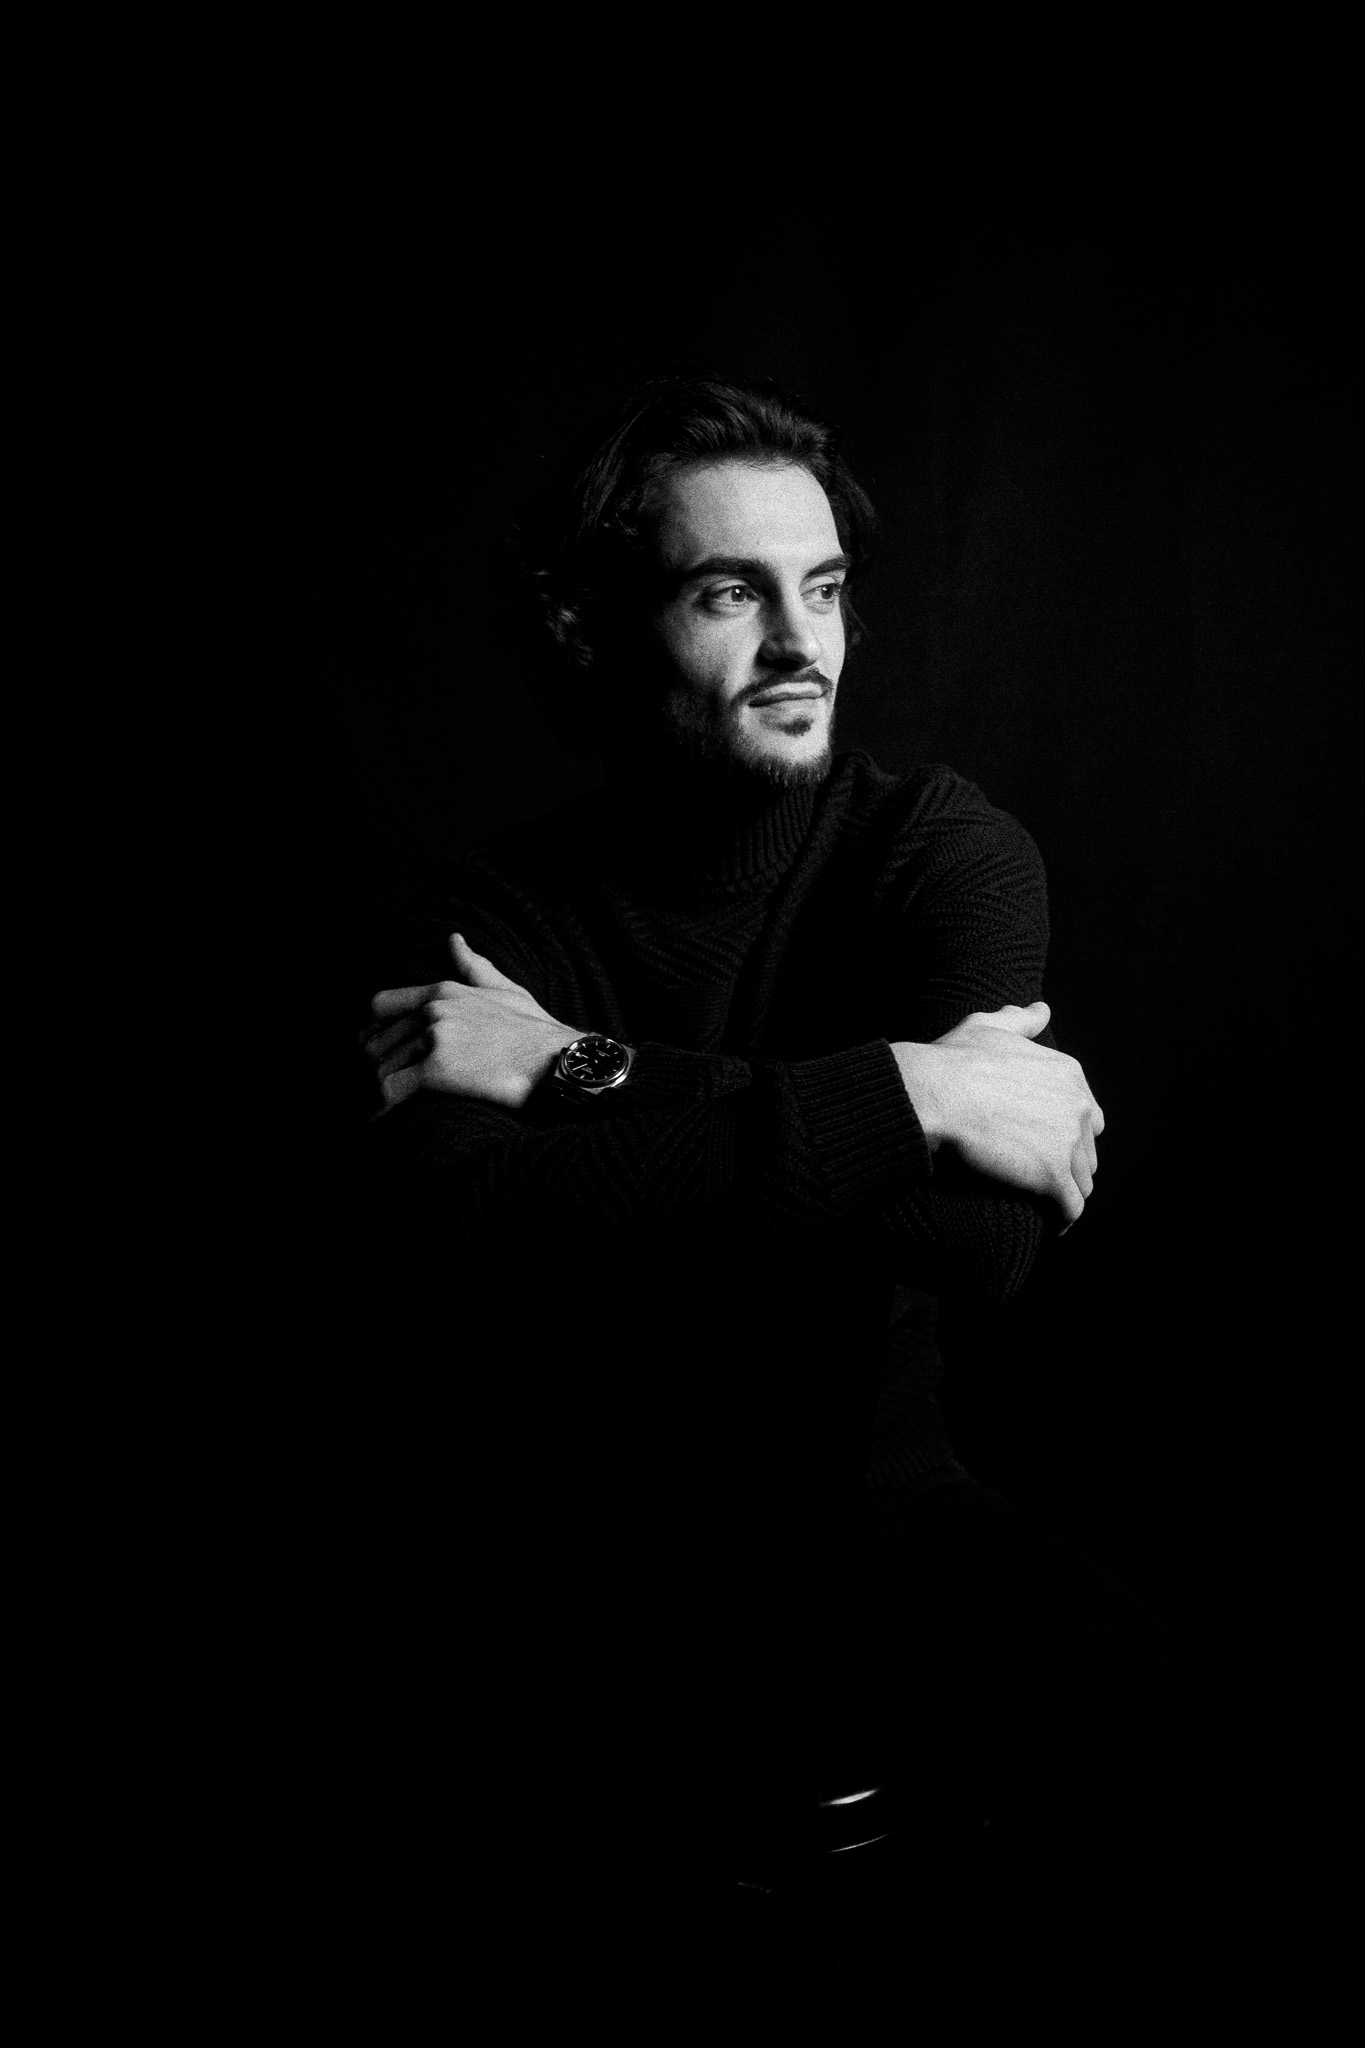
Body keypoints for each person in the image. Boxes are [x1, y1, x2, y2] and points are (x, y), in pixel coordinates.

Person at [350, 378, 1314, 2038]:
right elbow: (466, 1241)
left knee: (1255, 1835)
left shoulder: (939, 852)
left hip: (891, 1520)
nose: (802, 642)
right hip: (580, 1555)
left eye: (826, 587)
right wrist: (909, 1097)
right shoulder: (487, 921)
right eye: (729, 591)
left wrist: (574, 1071)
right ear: (588, 627)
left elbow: (979, 1246)